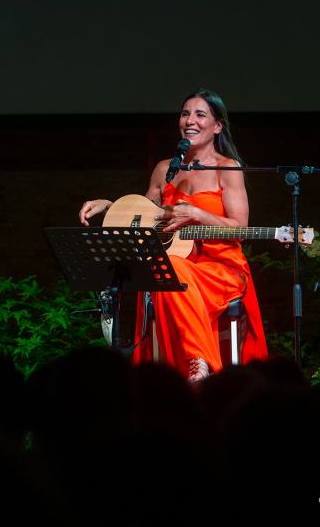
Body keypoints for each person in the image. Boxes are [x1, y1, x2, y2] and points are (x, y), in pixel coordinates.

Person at [79, 88, 268, 383]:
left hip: (220, 269)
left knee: (170, 270)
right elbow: (142, 216)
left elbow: (240, 227)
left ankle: (199, 364)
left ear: (217, 126)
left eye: (200, 114)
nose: (189, 120)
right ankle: (187, 371)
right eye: (185, 114)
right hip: (175, 266)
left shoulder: (227, 168)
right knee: (168, 269)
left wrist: (198, 214)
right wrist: (108, 206)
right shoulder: (165, 169)